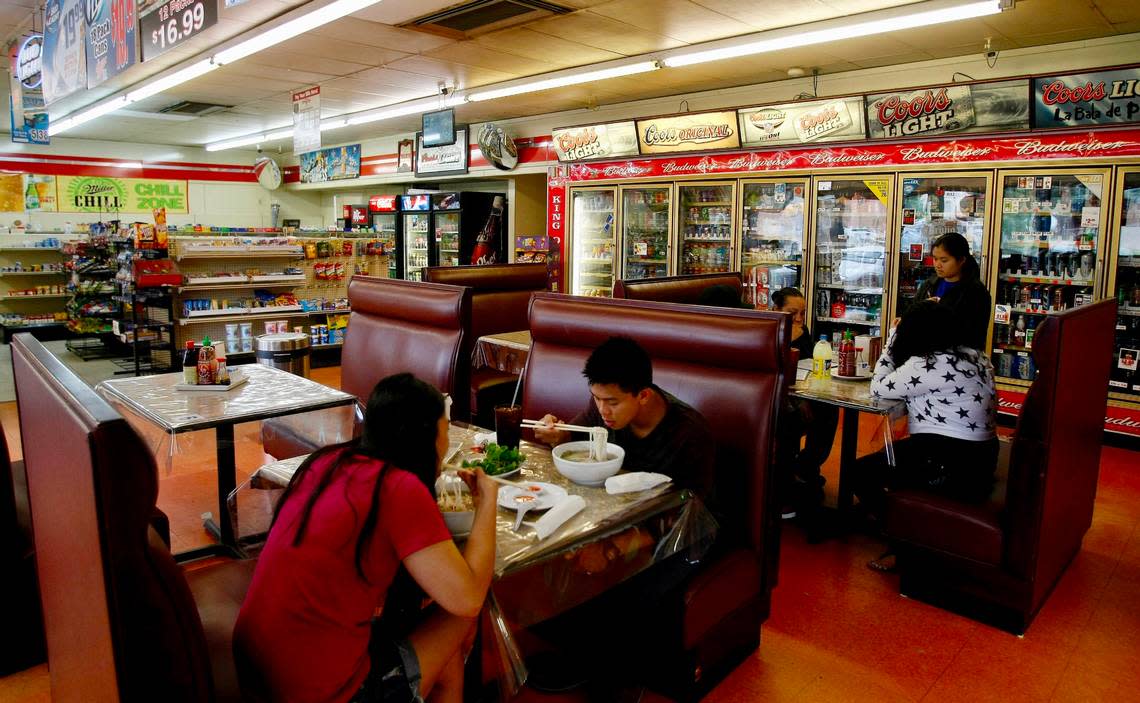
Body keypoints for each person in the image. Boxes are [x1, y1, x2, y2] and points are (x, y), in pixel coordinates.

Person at [234, 373, 499, 703]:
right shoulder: (398, 488)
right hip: (321, 691)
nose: (445, 448)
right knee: (461, 616)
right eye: (445, 433)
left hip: (257, 667)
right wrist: (488, 501)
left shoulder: (328, 461)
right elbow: (468, 596)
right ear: (425, 438)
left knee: (447, 662)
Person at [856, 300, 998, 571]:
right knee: (893, 463)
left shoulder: (927, 363)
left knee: (859, 473)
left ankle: (903, 538)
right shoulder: (975, 355)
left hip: (946, 458)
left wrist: (891, 341)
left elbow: (878, 389)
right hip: (982, 455)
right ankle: (905, 528)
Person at [533, 335, 715, 504]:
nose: (603, 411)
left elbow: (692, 510)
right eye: (596, 398)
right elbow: (571, 441)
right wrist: (557, 436)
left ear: (643, 395)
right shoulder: (603, 405)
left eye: (613, 402)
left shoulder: (689, 434)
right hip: (608, 510)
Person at [771, 286, 839, 519]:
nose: (799, 318)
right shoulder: (766, 330)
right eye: (792, 313)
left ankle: (807, 467)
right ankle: (784, 488)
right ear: (775, 310)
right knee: (788, 422)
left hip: (798, 394)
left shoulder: (803, 330)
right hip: (773, 402)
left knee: (829, 410)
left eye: (802, 313)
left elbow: (810, 362)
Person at [913, 231, 992, 350]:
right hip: (924, 356)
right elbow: (912, 317)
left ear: (961, 260)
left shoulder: (976, 293)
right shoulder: (929, 285)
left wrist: (934, 312)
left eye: (944, 260)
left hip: (957, 361)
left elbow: (971, 335)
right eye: (935, 259)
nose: (938, 265)